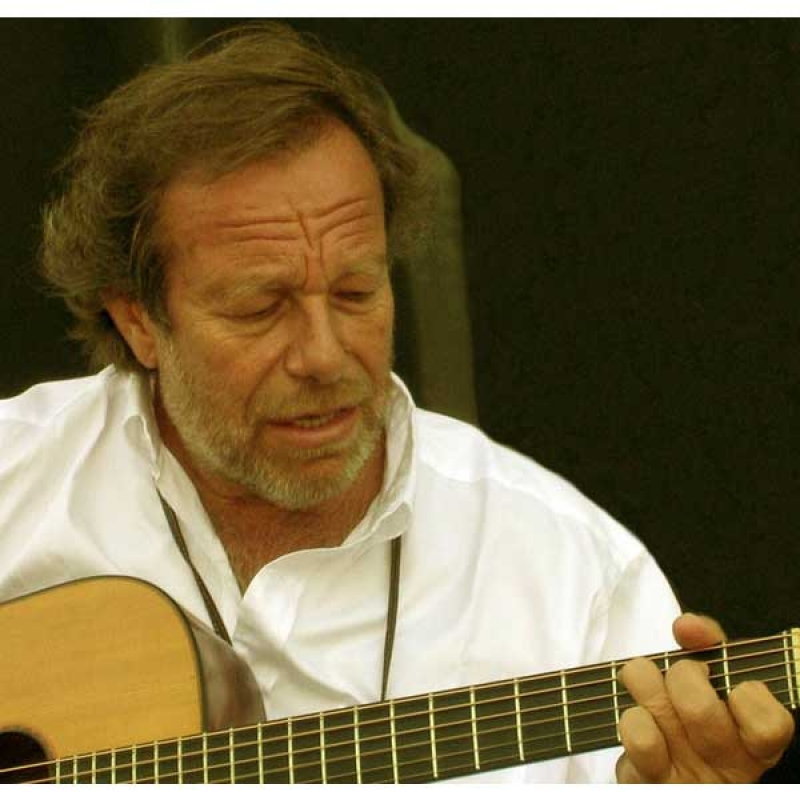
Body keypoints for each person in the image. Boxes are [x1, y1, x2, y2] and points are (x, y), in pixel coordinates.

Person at [0, 22, 793, 783]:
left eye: (355, 292)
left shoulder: (575, 575)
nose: (324, 355)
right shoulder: (17, 475)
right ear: (138, 320)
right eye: (259, 308)